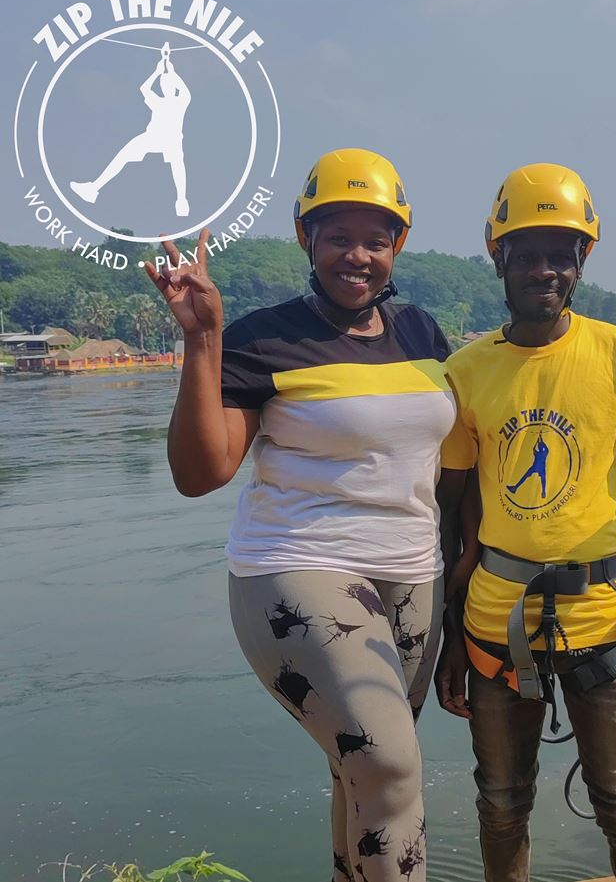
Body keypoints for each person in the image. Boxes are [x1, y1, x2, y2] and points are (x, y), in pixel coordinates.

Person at [146, 148, 457, 882]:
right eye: (338, 235)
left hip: (415, 572)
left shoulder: (423, 333)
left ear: (398, 246)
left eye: (376, 239)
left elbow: (445, 466)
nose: (358, 254)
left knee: (363, 775)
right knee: (387, 765)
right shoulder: (262, 337)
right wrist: (202, 339)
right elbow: (201, 472)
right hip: (297, 564)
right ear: (306, 240)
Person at [435, 163, 616, 882]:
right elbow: (454, 521)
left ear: (581, 260)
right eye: (525, 254)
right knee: (501, 805)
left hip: (605, 619)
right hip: (498, 624)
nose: (543, 269)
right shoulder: (466, 371)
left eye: (560, 254)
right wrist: (448, 641)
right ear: (497, 257)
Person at [72, 42, 192, 216]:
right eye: (163, 83)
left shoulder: (178, 101)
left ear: (172, 86)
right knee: (125, 156)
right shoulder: (163, 101)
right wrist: (161, 71)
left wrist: (166, 71)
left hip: (168, 139)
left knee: (177, 165)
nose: (165, 86)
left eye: (167, 84)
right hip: (155, 137)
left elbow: (151, 88)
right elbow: (144, 89)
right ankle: (93, 189)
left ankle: (181, 201)